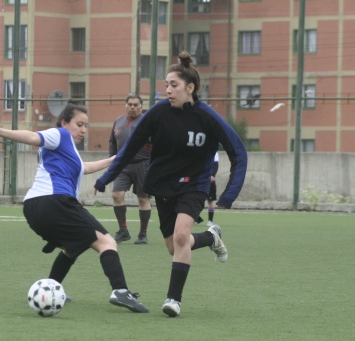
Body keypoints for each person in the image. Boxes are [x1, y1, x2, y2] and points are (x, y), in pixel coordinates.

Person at [94, 52, 247, 317]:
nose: (168, 90)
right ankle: (211, 237)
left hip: (194, 185)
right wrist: (106, 177)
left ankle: (173, 300)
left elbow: (239, 153)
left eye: (174, 85)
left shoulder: (208, 117)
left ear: (190, 88)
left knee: (179, 237)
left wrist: (229, 193)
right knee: (174, 246)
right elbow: (129, 149)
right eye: (166, 85)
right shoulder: (157, 113)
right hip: (163, 187)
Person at [0, 100, 149, 313]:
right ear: (64, 123)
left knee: (72, 247)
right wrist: (0, 131)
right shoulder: (60, 134)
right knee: (106, 242)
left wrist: (114, 159)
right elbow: (33, 137)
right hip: (55, 202)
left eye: (86, 125)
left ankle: (50, 287)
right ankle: (120, 291)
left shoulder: (67, 150)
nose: (83, 130)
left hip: (34, 208)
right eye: (79, 124)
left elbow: (83, 168)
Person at [108, 94, 151, 244]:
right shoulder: (118, 121)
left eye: (135, 105)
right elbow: (112, 143)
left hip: (143, 164)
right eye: (130, 104)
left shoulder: (147, 122)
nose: (132, 107)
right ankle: (123, 231)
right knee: (116, 195)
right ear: (126, 106)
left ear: (141, 106)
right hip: (123, 165)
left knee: (142, 198)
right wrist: (112, 160)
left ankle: (143, 234)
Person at [196, 151, 219, 227]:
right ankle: (196, 219)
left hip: (209, 180)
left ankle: (210, 221)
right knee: (196, 200)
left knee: (210, 201)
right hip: (200, 180)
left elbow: (215, 165)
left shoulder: (214, 152)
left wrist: (212, 175)